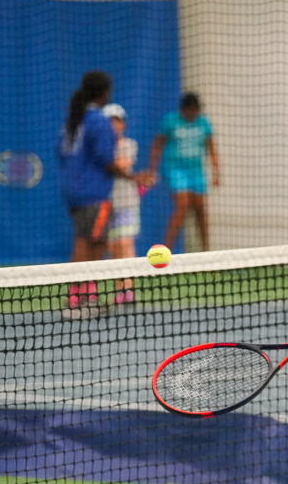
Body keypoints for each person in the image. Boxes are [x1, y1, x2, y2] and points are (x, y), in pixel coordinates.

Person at [57, 71, 147, 310]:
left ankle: (80, 295)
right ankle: (81, 297)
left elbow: (63, 155)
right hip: (94, 193)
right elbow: (106, 160)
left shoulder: (74, 119)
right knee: (92, 246)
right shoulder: (97, 120)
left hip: (74, 192)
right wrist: (134, 176)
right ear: (103, 92)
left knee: (84, 242)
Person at [150, 92, 219, 252]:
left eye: (196, 110)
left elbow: (211, 148)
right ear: (183, 109)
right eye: (190, 110)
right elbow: (157, 145)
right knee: (182, 206)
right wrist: (152, 170)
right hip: (175, 169)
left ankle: (206, 251)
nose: (193, 114)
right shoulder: (170, 121)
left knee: (200, 207)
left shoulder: (204, 123)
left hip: (196, 171)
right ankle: (166, 250)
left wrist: (216, 173)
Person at [101, 102, 149, 304]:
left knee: (125, 244)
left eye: (117, 121)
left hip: (127, 202)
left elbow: (122, 164)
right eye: (110, 122)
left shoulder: (129, 144)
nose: (114, 125)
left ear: (123, 125)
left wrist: (105, 158)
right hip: (106, 204)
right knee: (112, 247)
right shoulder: (100, 146)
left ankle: (128, 289)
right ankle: (118, 290)